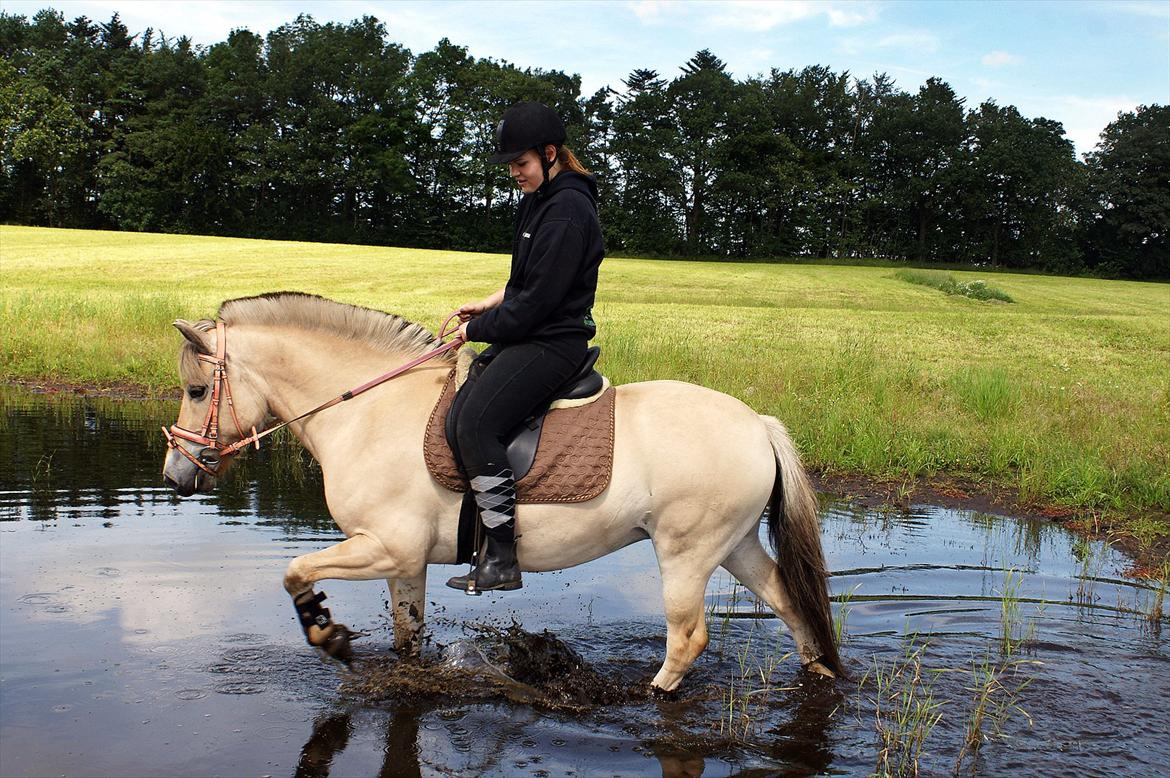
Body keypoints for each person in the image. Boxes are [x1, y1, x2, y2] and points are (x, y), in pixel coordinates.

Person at [445, 102, 604, 593]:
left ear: (551, 154)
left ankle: (503, 559)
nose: (515, 173)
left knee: (476, 424)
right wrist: (490, 302)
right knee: (458, 415)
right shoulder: (540, 199)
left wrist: (476, 331)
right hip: (533, 331)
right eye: (511, 165)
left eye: (522, 163)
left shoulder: (569, 210)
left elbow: (536, 305)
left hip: (552, 342)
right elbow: (526, 280)